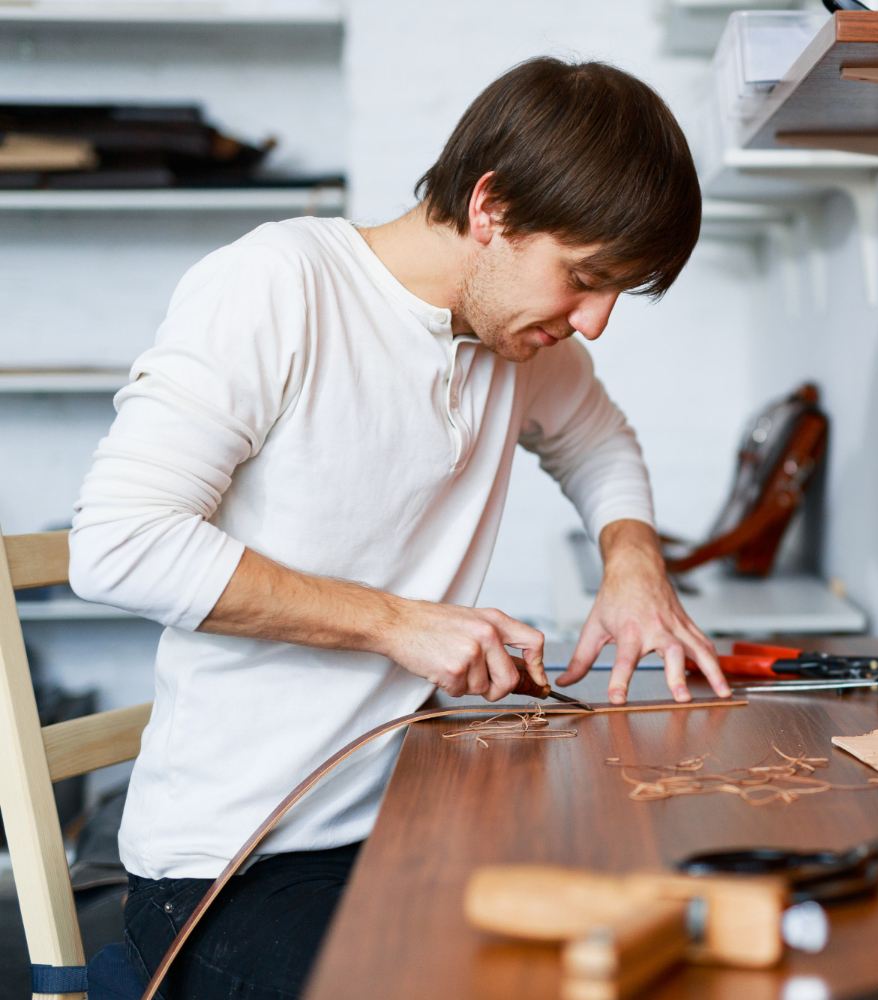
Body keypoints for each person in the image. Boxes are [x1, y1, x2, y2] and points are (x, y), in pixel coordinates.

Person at [68, 56, 730, 999]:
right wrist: (400, 623)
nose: (595, 323)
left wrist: (632, 566)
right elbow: (118, 545)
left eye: (619, 291)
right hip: (234, 867)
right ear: (491, 207)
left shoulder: (513, 337)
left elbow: (600, 444)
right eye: (584, 278)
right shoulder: (276, 287)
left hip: (412, 823)